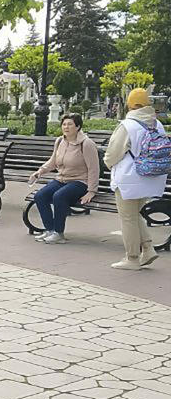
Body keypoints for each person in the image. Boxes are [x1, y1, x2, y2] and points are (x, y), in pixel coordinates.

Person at [104, 87, 168, 270]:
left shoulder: (128, 125)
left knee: (128, 218)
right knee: (134, 214)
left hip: (128, 180)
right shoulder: (158, 124)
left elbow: (112, 154)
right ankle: (147, 249)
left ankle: (131, 258)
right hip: (151, 177)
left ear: (130, 104)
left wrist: (108, 164)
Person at [28, 112, 99, 243]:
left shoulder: (86, 144)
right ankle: (50, 230)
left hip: (80, 181)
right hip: (61, 179)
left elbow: (94, 168)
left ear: (77, 127)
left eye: (70, 124)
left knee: (59, 196)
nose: (66, 127)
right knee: (40, 196)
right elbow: (53, 161)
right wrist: (40, 171)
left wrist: (91, 191)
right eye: (64, 124)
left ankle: (59, 233)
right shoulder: (60, 140)